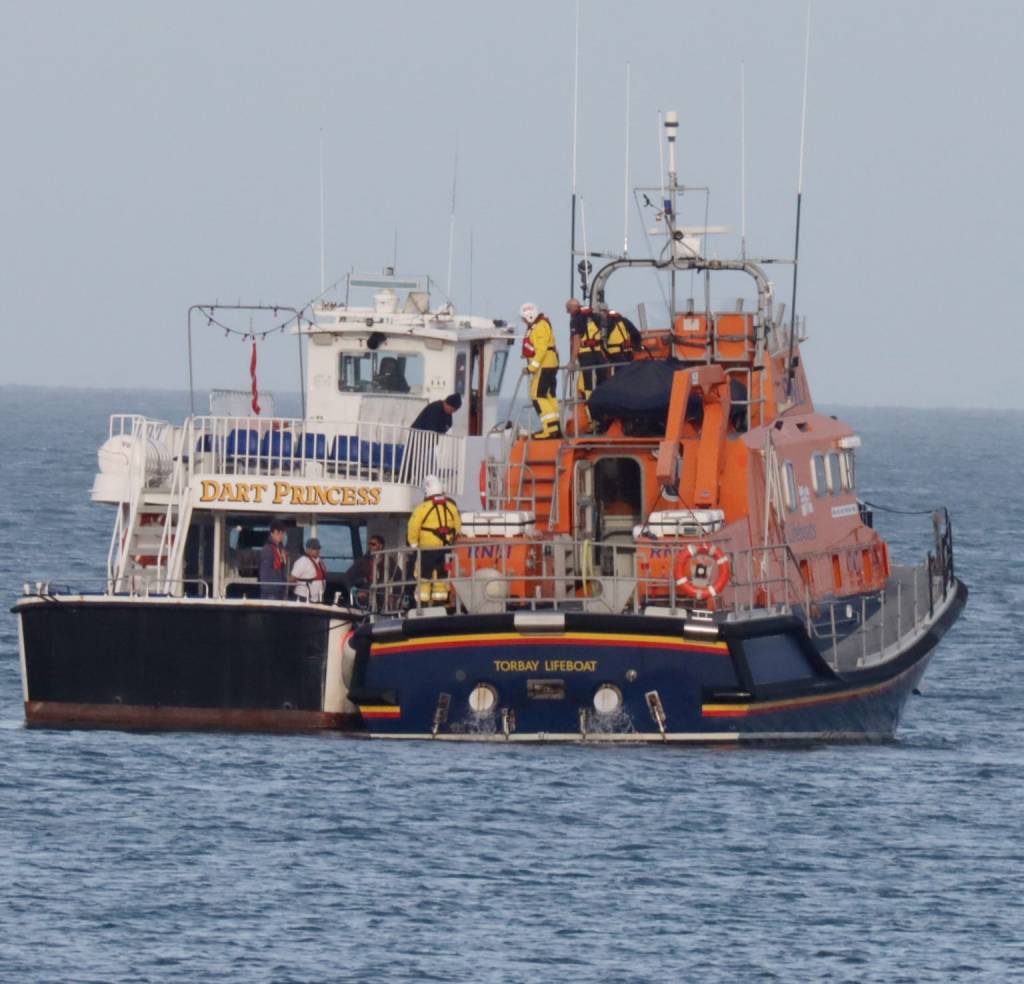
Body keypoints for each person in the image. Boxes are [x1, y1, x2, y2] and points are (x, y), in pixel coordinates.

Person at [407, 475, 462, 604]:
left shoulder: (422, 509)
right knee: (442, 575)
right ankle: (440, 599)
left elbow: (413, 526)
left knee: (424, 576)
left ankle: (423, 601)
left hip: (426, 550)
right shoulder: (451, 507)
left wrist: (413, 543)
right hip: (445, 549)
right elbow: (458, 526)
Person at [520, 302, 561, 439]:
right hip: (549, 364)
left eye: (524, 319)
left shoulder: (540, 327)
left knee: (537, 395)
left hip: (545, 366)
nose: (523, 321)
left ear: (529, 316)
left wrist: (531, 368)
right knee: (549, 396)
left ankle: (550, 429)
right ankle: (555, 427)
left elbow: (541, 349)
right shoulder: (540, 325)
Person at [567, 297, 606, 412]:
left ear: (573, 308)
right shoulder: (594, 316)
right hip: (598, 353)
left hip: (585, 354)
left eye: (568, 309)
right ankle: (602, 406)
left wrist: (572, 361)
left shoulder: (576, 320)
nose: (568, 312)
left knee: (587, 383)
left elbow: (576, 341)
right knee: (601, 380)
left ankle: (591, 411)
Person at [258, 519, 290, 600]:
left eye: (282, 533)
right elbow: (265, 573)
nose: (280, 536)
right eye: (278, 533)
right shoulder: (267, 550)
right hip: (270, 593)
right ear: (272, 533)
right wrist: (270, 589)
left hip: (280, 590)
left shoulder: (280, 549)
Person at [291, 537, 327, 603]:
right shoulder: (302, 561)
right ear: (307, 549)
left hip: (317, 598)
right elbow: (292, 578)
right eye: (314, 548)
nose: (317, 550)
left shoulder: (320, 561)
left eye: (318, 548)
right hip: (303, 597)